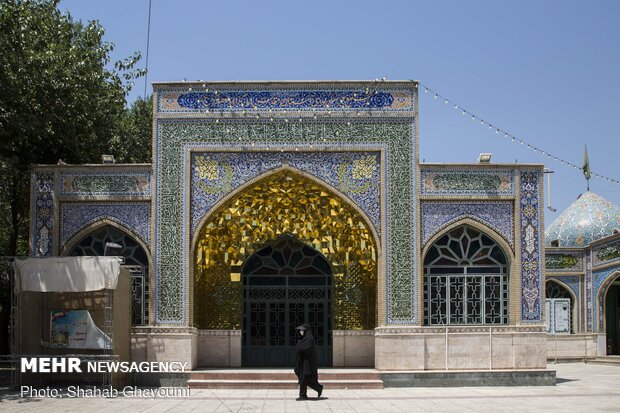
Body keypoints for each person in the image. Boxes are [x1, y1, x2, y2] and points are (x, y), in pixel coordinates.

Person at [293, 323, 323, 400]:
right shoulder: (301, 340)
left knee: (304, 377)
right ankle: (318, 387)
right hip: (302, 362)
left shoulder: (309, 339)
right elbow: (299, 349)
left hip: (308, 363)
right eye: (300, 330)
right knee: (305, 378)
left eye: (302, 330)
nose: (301, 332)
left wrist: (300, 349)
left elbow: (306, 349)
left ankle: (302, 395)